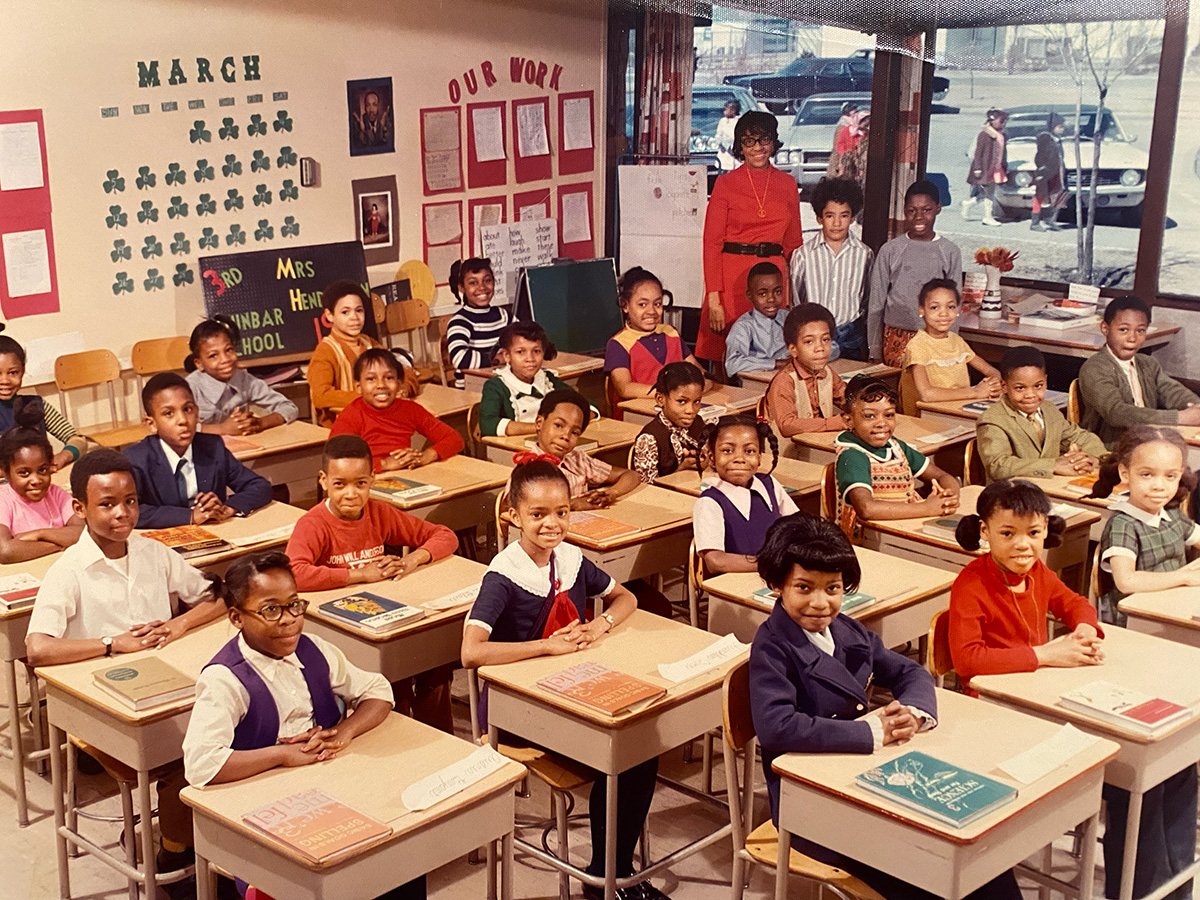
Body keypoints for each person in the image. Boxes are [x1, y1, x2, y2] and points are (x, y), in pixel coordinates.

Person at [751, 513, 1020, 900]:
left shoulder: (848, 629)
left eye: (833, 588)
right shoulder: (772, 646)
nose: (820, 603)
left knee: (979, 855)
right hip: (811, 802)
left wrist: (914, 711)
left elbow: (910, 672)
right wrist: (871, 731)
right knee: (927, 867)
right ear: (776, 586)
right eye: (804, 588)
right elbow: (777, 726)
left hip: (866, 776)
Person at [949, 480, 1194, 900]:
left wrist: (1084, 626)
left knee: (1176, 769)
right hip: (998, 718)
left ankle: (1172, 885)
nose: (1023, 545)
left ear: (1048, 531)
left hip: (1042, 699)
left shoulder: (1039, 573)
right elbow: (968, 661)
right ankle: (1143, 888)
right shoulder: (972, 584)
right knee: (1130, 778)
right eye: (1007, 534)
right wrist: (1045, 655)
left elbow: (1075, 602)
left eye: (1034, 533)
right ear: (983, 531)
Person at [461, 459, 670, 900]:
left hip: (570, 688)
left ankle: (611, 872)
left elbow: (624, 597)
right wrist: (545, 647)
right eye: (537, 515)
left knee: (640, 747)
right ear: (513, 516)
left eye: (561, 512)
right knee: (622, 755)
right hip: (518, 708)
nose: (552, 523)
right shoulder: (504, 574)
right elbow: (471, 652)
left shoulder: (570, 559)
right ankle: (606, 880)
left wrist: (599, 626)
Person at [25, 449, 223, 875]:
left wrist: (179, 624)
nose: (123, 513)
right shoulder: (69, 571)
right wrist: (113, 643)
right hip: (100, 706)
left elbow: (218, 595)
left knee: (231, 737)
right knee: (190, 759)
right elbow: (38, 648)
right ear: (79, 508)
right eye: (107, 504)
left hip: (166, 687)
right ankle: (176, 855)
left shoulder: (153, 553)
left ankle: (210, 848)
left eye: (130, 501)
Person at [182, 552, 424, 900]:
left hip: (329, 788)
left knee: (399, 853)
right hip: (263, 808)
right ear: (236, 617)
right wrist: (282, 754)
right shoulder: (226, 679)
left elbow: (377, 691)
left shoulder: (313, 649)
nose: (289, 621)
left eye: (294, 605)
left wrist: (345, 731)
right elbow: (201, 764)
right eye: (270, 610)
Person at [285, 435, 458, 731]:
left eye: (360, 484)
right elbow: (295, 573)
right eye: (340, 484)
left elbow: (445, 535)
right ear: (324, 481)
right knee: (396, 682)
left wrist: (411, 560)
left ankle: (440, 739)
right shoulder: (313, 524)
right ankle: (400, 737)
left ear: (372, 480)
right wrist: (358, 575)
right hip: (341, 631)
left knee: (435, 664)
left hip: (385, 618)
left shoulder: (379, 513)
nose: (351, 494)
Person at [699, 111, 803, 370]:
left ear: (774, 142)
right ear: (740, 147)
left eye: (764, 139)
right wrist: (715, 300)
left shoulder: (788, 183)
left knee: (775, 357)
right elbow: (711, 244)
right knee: (730, 360)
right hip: (732, 281)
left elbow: (793, 245)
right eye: (749, 141)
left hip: (773, 280)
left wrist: (793, 298)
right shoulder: (725, 184)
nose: (758, 148)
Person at [125, 373, 273, 528]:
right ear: (152, 424)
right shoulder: (136, 460)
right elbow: (130, 510)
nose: (182, 420)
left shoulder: (212, 447)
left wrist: (228, 508)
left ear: (197, 412)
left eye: (187, 409)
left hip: (217, 533)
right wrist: (190, 516)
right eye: (169, 413)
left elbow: (259, 486)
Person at [1093, 425, 1200, 626]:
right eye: (1146, 475)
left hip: (1171, 606)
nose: (1159, 486)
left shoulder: (1170, 513)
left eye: (1170, 476)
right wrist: (1183, 577)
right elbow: (1127, 582)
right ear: (1125, 473)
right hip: (1135, 620)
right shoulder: (1123, 524)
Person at [833, 376, 959, 533]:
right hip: (867, 536)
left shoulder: (895, 446)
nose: (881, 423)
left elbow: (942, 477)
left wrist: (949, 497)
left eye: (889, 415)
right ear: (848, 420)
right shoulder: (852, 456)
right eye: (869, 416)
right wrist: (927, 508)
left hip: (904, 525)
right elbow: (866, 509)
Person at [1078, 296, 1200, 448]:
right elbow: (1116, 413)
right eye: (1123, 330)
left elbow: (1173, 392)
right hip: (1110, 448)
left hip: (1147, 441)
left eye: (1140, 331)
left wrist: (1196, 407)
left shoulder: (1148, 363)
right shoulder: (1095, 368)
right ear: (1105, 328)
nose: (1132, 338)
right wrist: (1179, 417)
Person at [976, 346, 1106, 483]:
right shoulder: (992, 420)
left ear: (1045, 381)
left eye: (1038, 386)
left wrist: (1093, 458)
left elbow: (1081, 437)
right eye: (1020, 388)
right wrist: (1053, 465)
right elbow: (998, 465)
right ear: (1004, 386)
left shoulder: (1049, 410)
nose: (1030, 395)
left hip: (1050, 487)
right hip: (1012, 494)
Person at [867, 180, 962, 367]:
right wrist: (875, 348)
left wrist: (952, 345)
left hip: (934, 338)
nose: (919, 217)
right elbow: (876, 303)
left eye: (926, 210)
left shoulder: (949, 251)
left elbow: (954, 305)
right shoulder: (890, 250)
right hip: (895, 337)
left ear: (938, 209)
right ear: (904, 211)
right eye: (912, 211)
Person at [329, 348, 463, 473]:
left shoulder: (410, 409)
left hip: (405, 478)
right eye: (371, 379)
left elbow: (454, 438)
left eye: (389, 378)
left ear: (399, 384)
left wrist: (426, 456)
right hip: (365, 481)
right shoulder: (351, 415)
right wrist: (384, 464)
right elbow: (337, 459)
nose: (381, 385)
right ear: (358, 387)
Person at [692, 414, 794, 575]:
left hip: (775, 577)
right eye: (727, 451)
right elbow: (715, 561)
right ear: (711, 457)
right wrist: (770, 564)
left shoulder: (769, 484)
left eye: (749, 451)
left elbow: (799, 527)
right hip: (734, 588)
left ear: (759, 457)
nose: (739, 458)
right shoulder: (710, 502)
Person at [308, 280, 419, 426]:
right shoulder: (326, 351)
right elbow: (321, 396)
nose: (354, 317)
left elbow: (405, 372)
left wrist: (403, 388)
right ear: (329, 315)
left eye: (359, 310)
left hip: (379, 420)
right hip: (345, 428)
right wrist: (371, 396)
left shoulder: (369, 344)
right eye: (345, 312)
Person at [789, 177, 873, 362]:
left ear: (852, 217)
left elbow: (866, 297)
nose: (836, 223)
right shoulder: (803, 255)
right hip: (814, 337)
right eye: (829, 216)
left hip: (852, 336)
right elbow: (796, 300)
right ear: (819, 218)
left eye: (843, 215)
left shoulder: (864, 254)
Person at [518, 389, 640, 509]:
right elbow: (518, 505)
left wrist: (611, 493)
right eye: (559, 425)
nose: (565, 436)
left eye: (575, 432)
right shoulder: (528, 465)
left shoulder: (578, 460)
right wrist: (572, 505)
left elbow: (631, 475)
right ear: (539, 423)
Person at [479, 321, 597, 437]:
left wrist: (571, 424)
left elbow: (586, 405)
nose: (530, 358)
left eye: (536, 351)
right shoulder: (496, 386)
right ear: (507, 356)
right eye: (520, 352)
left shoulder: (547, 379)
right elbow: (488, 424)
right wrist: (543, 427)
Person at [185, 315, 299, 434]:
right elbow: (177, 429)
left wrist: (260, 423)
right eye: (213, 355)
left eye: (228, 350)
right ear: (199, 364)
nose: (225, 359)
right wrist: (222, 429)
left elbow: (289, 408)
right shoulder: (189, 389)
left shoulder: (244, 380)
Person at [900, 279, 1001, 414]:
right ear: (922, 310)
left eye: (951, 307)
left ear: (958, 309)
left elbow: (992, 371)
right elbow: (927, 394)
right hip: (928, 415)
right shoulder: (918, 346)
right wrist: (975, 392)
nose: (944, 313)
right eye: (934, 307)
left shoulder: (957, 340)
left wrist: (993, 383)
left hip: (959, 408)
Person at [605, 266, 703, 401]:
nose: (651, 311)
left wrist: (703, 381)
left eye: (657, 304)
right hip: (637, 412)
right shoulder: (619, 343)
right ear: (625, 306)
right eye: (642, 305)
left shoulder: (671, 333)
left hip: (675, 406)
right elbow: (625, 388)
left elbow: (697, 371)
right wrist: (671, 394)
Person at [0, 406, 83, 563]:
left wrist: (40, 534)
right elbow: (5, 551)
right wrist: (59, 544)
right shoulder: (3, 500)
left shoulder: (56, 494)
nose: (36, 480)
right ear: (6, 472)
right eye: (24, 473)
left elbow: (85, 532)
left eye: (43, 470)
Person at [0, 335, 88, 470]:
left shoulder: (35, 405)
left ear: (23, 371)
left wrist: (63, 456)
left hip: (39, 484)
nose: (5, 381)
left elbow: (78, 440)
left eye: (13, 373)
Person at [765, 304, 846, 437]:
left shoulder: (827, 372)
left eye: (825, 339)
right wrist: (833, 423)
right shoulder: (784, 381)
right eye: (809, 342)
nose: (820, 347)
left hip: (818, 444)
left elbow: (847, 397)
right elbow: (787, 425)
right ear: (793, 349)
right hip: (791, 451)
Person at [630, 362, 706, 484]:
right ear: (660, 399)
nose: (690, 410)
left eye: (696, 402)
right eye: (682, 401)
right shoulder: (649, 439)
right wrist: (681, 471)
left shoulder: (698, 423)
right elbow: (646, 490)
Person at [446, 258, 511, 389]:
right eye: (473, 283)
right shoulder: (460, 321)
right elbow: (460, 359)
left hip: (505, 385)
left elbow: (525, 341)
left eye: (487, 280)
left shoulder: (504, 316)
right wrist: (497, 359)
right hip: (472, 390)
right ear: (461, 288)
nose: (482, 287)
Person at [724, 261, 788, 381]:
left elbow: (831, 346)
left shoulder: (790, 319)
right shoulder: (743, 326)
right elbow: (732, 364)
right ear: (750, 296)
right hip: (756, 383)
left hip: (788, 379)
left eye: (778, 292)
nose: (771, 299)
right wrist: (776, 363)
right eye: (762, 294)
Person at [964, 108, 1008, 227]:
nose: (1003, 124)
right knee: (989, 193)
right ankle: (987, 217)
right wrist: (977, 168)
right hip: (986, 167)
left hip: (996, 168)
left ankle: (968, 204)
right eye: (1001, 121)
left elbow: (1002, 152)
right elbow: (978, 152)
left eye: (1004, 121)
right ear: (992, 121)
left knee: (988, 192)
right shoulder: (985, 134)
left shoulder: (1001, 135)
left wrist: (1004, 166)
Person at [1032, 111, 1067, 232]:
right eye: (1060, 127)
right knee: (1040, 197)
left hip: (1056, 173)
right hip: (1045, 173)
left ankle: (1050, 220)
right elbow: (1040, 157)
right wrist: (1041, 170)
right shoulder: (1045, 139)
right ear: (1052, 127)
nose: (1062, 129)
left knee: (1056, 196)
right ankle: (1035, 222)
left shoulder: (1057, 140)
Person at [715, 99, 740, 172]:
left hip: (735, 153)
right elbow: (718, 135)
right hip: (725, 152)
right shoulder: (723, 121)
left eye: (726, 110)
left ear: (733, 110)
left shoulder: (739, 121)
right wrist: (722, 142)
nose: (724, 112)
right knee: (725, 172)